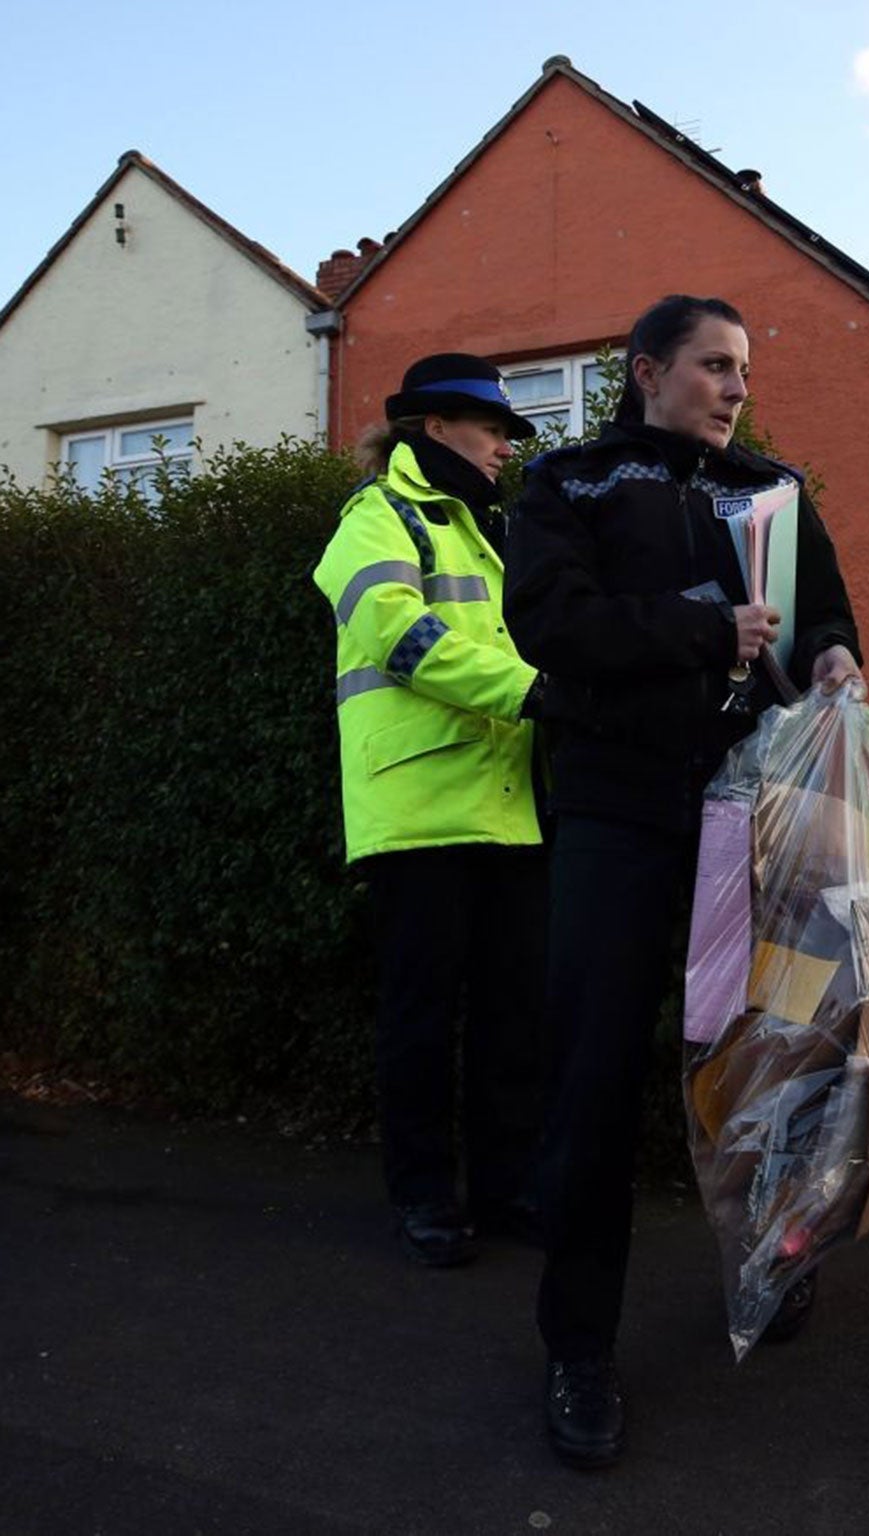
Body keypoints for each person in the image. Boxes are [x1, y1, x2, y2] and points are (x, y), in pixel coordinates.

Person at [505, 294, 861, 1470]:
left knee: (763, 1049)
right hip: (615, 813)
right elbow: (550, 621)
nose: (735, 386)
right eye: (713, 365)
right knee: (597, 1070)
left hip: (748, 819)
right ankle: (579, 1348)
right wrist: (706, 629)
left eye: (744, 368)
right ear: (647, 370)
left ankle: (774, 1259)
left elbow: (821, 622)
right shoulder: (572, 482)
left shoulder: (774, 488)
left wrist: (833, 659)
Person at [311, 353, 553, 1270]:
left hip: (504, 801)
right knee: (421, 1015)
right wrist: (538, 693)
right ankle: (422, 1195)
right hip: (418, 806)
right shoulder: (377, 517)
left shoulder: (488, 530)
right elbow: (401, 638)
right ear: (436, 428)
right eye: (492, 430)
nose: (503, 448)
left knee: (510, 1015)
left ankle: (503, 1188)